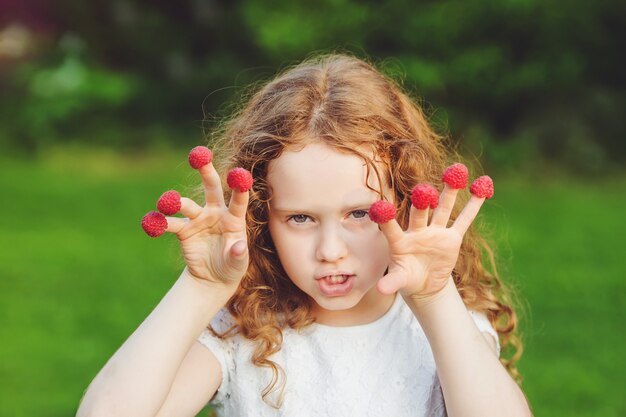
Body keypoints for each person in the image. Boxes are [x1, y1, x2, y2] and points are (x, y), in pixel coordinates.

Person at [77, 53, 532, 417]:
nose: (331, 251)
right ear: (261, 219)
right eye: (300, 219)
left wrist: (436, 300)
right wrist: (201, 290)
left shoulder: (445, 326)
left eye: (359, 212)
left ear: (409, 201)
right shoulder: (244, 331)